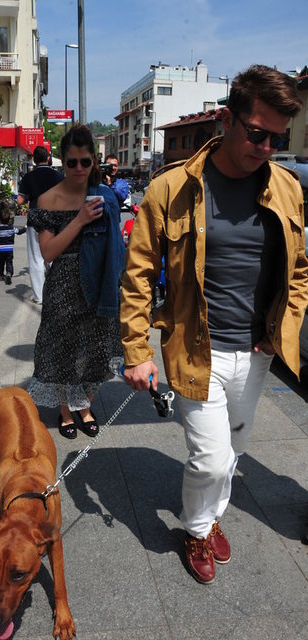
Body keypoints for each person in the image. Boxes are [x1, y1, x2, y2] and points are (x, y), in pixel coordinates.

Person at [120, 64, 308, 584]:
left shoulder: (287, 188)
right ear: (227, 120)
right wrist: (136, 351)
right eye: (257, 133)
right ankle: (198, 529)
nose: (266, 147)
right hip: (194, 348)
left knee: (233, 453)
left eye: (277, 139)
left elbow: (299, 269)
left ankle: (208, 516)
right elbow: (138, 274)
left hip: (256, 351)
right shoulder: (171, 188)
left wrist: (284, 326)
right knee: (209, 458)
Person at [26, 125, 125, 439]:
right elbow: (47, 252)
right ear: (62, 162)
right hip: (64, 287)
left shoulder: (104, 196)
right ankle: (66, 412)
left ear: (94, 161)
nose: (79, 168)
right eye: (72, 162)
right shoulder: (48, 199)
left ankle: (85, 406)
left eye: (85, 161)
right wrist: (80, 220)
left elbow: (116, 247)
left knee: (97, 352)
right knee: (63, 353)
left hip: (99, 284)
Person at [17, 146, 63, 304]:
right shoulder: (58, 176)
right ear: (48, 158)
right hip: (53, 218)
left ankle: (39, 296)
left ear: (34, 160)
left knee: (36, 258)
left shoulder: (29, 177)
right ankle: (56, 293)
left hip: (35, 219)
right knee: (53, 257)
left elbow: (20, 200)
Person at [0, 201, 26, 285]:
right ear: (9, 219)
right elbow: (19, 232)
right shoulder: (11, 228)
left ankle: (0, 275)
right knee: (9, 262)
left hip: (0, 250)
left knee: (0, 262)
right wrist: (26, 227)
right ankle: (9, 273)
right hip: (9, 249)